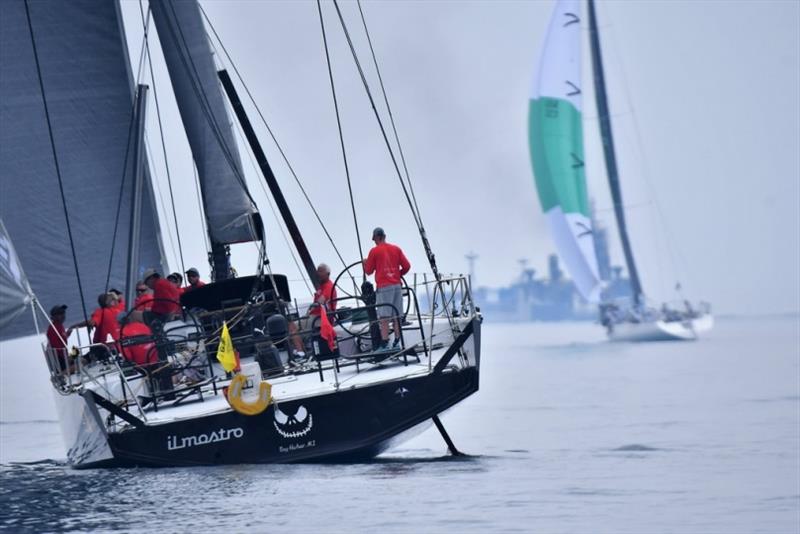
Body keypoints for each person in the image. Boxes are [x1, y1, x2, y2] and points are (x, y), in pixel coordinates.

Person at [363, 227, 410, 351]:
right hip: (397, 286)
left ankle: (385, 345)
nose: (374, 242)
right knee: (397, 315)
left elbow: (368, 271)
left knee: (384, 317)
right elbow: (407, 266)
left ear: (377, 237)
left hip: (384, 288)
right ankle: (397, 343)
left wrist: (365, 263)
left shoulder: (374, 251)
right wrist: (398, 275)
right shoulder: (396, 249)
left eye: (374, 239)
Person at [288, 263, 338, 359]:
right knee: (290, 327)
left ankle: (301, 352)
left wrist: (312, 307)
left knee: (292, 325)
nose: (317, 273)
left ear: (327, 273)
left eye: (320, 271)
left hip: (321, 318)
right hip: (314, 316)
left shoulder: (328, 286)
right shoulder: (322, 286)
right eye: (317, 271)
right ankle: (302, 352)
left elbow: (321, 301)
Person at [46, 304, 74, 373]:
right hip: (59, 360)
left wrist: (67, 334)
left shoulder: (59, 326)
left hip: (63, 355)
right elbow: (57, 348)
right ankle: (63, 374)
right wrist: (67, 358)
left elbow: (61, 338)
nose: (63, 315)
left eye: (63, 313)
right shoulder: (53, 329)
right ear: (54, 317)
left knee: (75, 350)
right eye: (60, 314)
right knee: (79, 360)